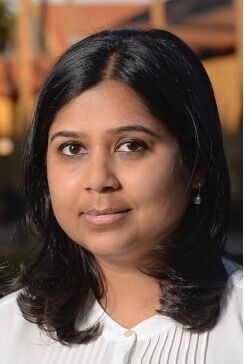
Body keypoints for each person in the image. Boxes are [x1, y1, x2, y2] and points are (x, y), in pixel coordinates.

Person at [0, 28, 242, 364]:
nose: (98, 180)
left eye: (131, 145)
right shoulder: (9, 333)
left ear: (197, 163)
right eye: (72, 148)